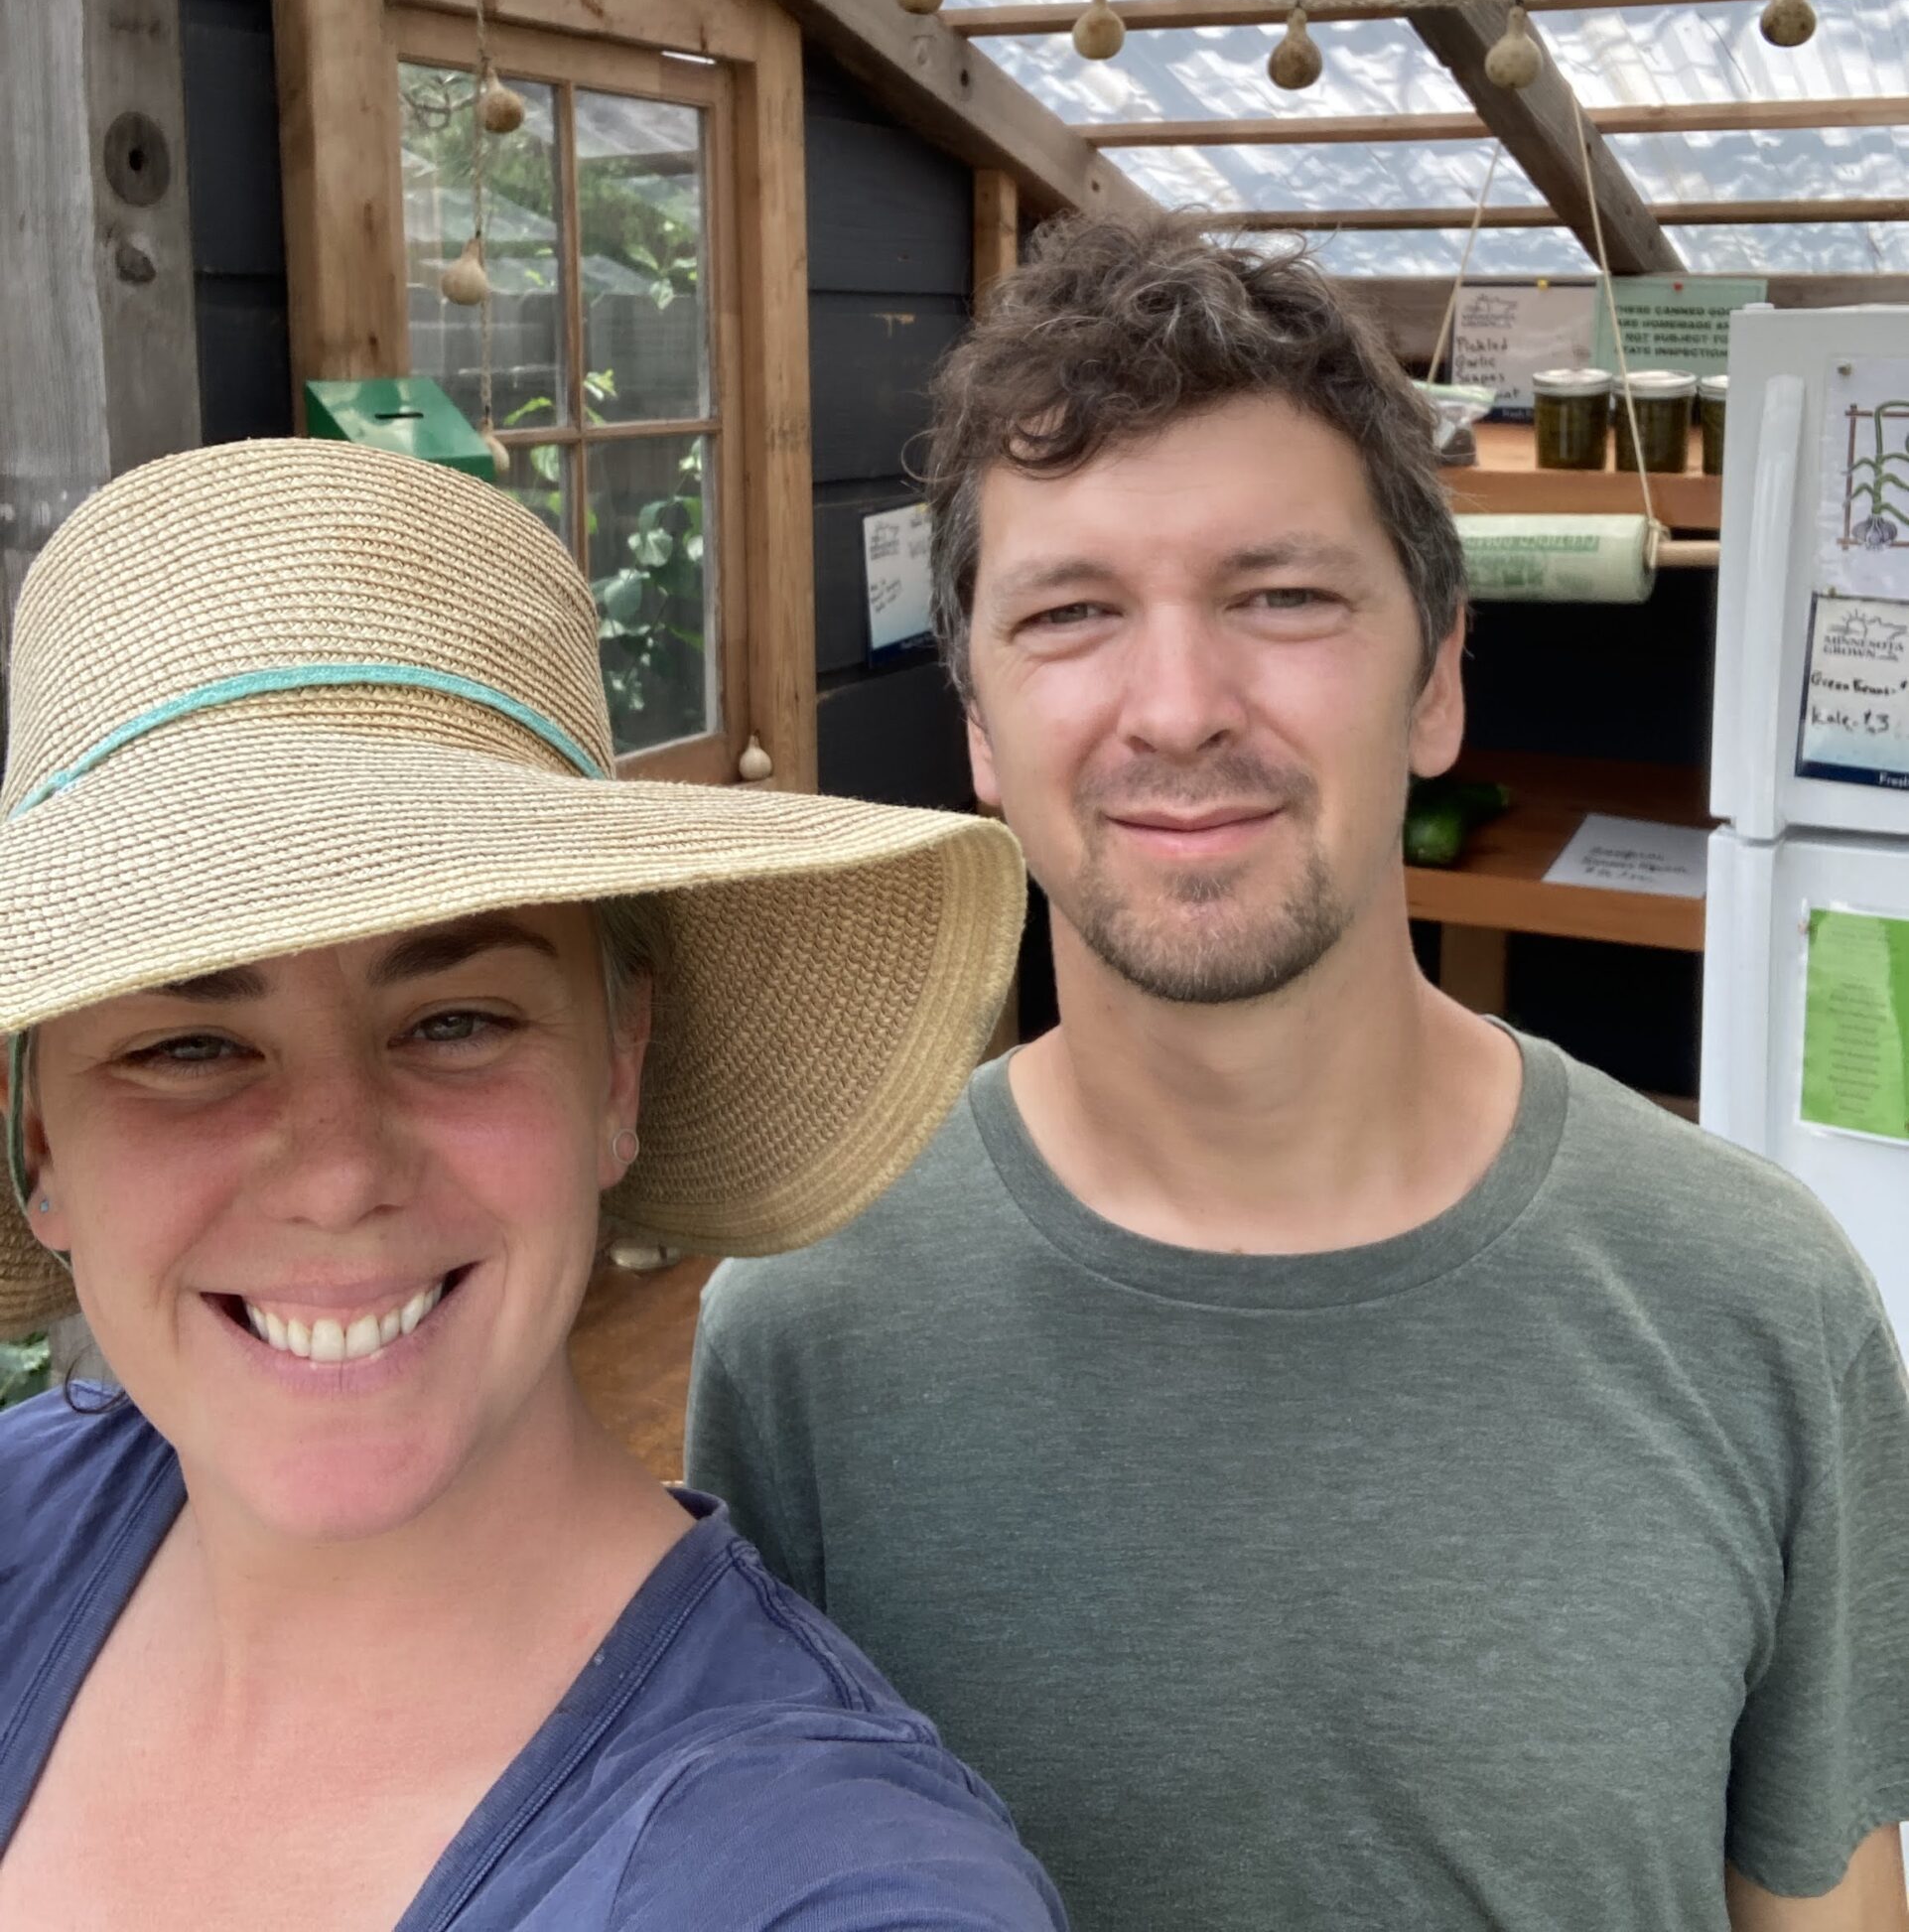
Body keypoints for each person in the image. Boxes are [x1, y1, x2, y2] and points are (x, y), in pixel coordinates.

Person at [688, 213, 1909, 1932]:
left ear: (1435, 681)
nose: (1178, 705)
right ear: (977, 726)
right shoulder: (806, 1330)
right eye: (1072, 614)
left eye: (1281, 597)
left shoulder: (1757, 1304)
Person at [0, 435, 1064, 1932]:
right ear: (37, 1145)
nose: (339, 1174)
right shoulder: (26, 1519)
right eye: (189, 1046)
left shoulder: (824, 1884)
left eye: (454, 1022)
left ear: (615, 1074)